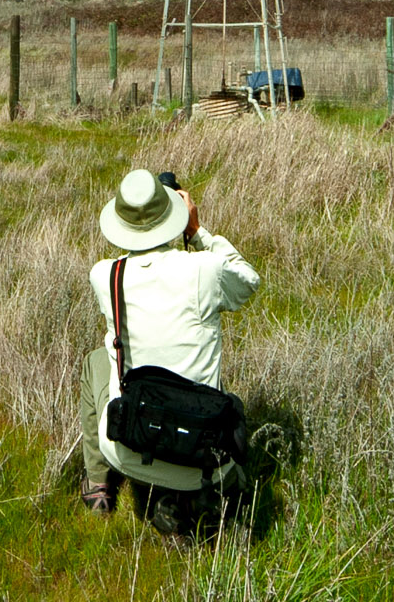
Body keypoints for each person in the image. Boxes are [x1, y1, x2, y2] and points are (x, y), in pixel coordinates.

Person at [80, 168, 273, 538]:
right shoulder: (206, 269)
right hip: (206, 459)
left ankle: (99, 485)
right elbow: (249, 281)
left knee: (95, 361)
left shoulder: (106, 276)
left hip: (130, 450)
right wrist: (196, 231)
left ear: (120, 222)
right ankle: (204, 497)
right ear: (174, 213)